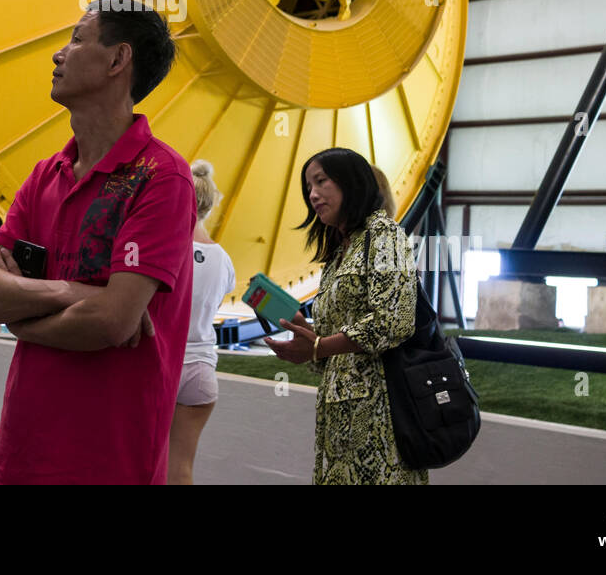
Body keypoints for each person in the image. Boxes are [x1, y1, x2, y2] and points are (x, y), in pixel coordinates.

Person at [0, 0, 195, 485]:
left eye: (77, 39)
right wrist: (76, 293)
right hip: (21, 454)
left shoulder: (163, 178)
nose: (58, 55)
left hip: (109, 461)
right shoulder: (45, 175)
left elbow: (112, 322)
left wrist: (21, 322)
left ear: (117, 60)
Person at [266, 147, 423, 485]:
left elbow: (392, 321)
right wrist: (306, 335)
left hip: (380, 417)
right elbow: (331, 346)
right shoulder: (342, 251)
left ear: (351, 182)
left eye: (321, 181)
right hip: (339, 420)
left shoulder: (385, 236)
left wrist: (320, 345)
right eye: (308, 187)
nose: (313, 194)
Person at [168, 159, 236, 485]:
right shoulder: (224, 261)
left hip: (163, 364)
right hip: (202, 372)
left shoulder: (166, 248)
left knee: (143, 462)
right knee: (181, 468)